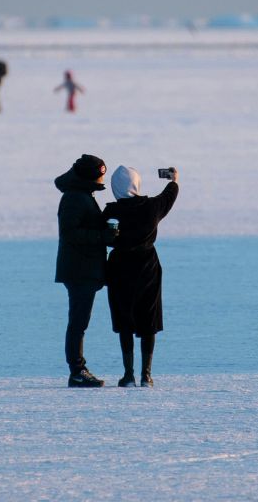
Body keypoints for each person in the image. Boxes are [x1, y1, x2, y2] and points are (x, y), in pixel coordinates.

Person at [102, 165, 179, 387]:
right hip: (148, 267)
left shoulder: (110, 213)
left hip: (119, 268)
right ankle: (146, 375)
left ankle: (128, 375)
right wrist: (173, 180)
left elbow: (102, 237)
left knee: (124, 318)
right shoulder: (152, 207)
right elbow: (169, 196)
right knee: (149, 318)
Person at [54, 153, 117, 387]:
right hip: (79, 271)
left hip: (83, 269)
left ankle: (77, 369)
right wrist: (102, 236)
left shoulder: (81, 195)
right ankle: (77, 371)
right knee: (78, 323)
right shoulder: (73, 198)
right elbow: (70, 234)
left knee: (80, 322)